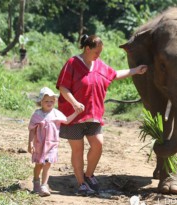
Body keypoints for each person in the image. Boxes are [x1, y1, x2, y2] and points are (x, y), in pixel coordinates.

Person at [56, 34, 147, 196]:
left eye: (100, 52)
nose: (98, 55)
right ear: (87, 48)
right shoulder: (73, 63)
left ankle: (89, 175)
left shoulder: (99, 65)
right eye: (96, 52)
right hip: (74, 116)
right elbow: (63, 87)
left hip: (94, 114)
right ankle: (81, 183)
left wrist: (136, 70)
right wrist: (74, 103)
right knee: (78, 150)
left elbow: (114, 74)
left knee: (98, 144)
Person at [28, 87, 79, 197]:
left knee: (47, 165)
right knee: (39, 165)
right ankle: (36, 181)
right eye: (46, 101)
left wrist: (76, 112)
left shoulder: (56, 113)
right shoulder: (37, 114)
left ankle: (44, 186)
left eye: (52, 101)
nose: (49, 103)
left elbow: (67, 120)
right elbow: (32, 130)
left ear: (54, 102)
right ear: (41, 102)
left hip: (52, 145)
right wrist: (30, 143)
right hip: (39, 144)